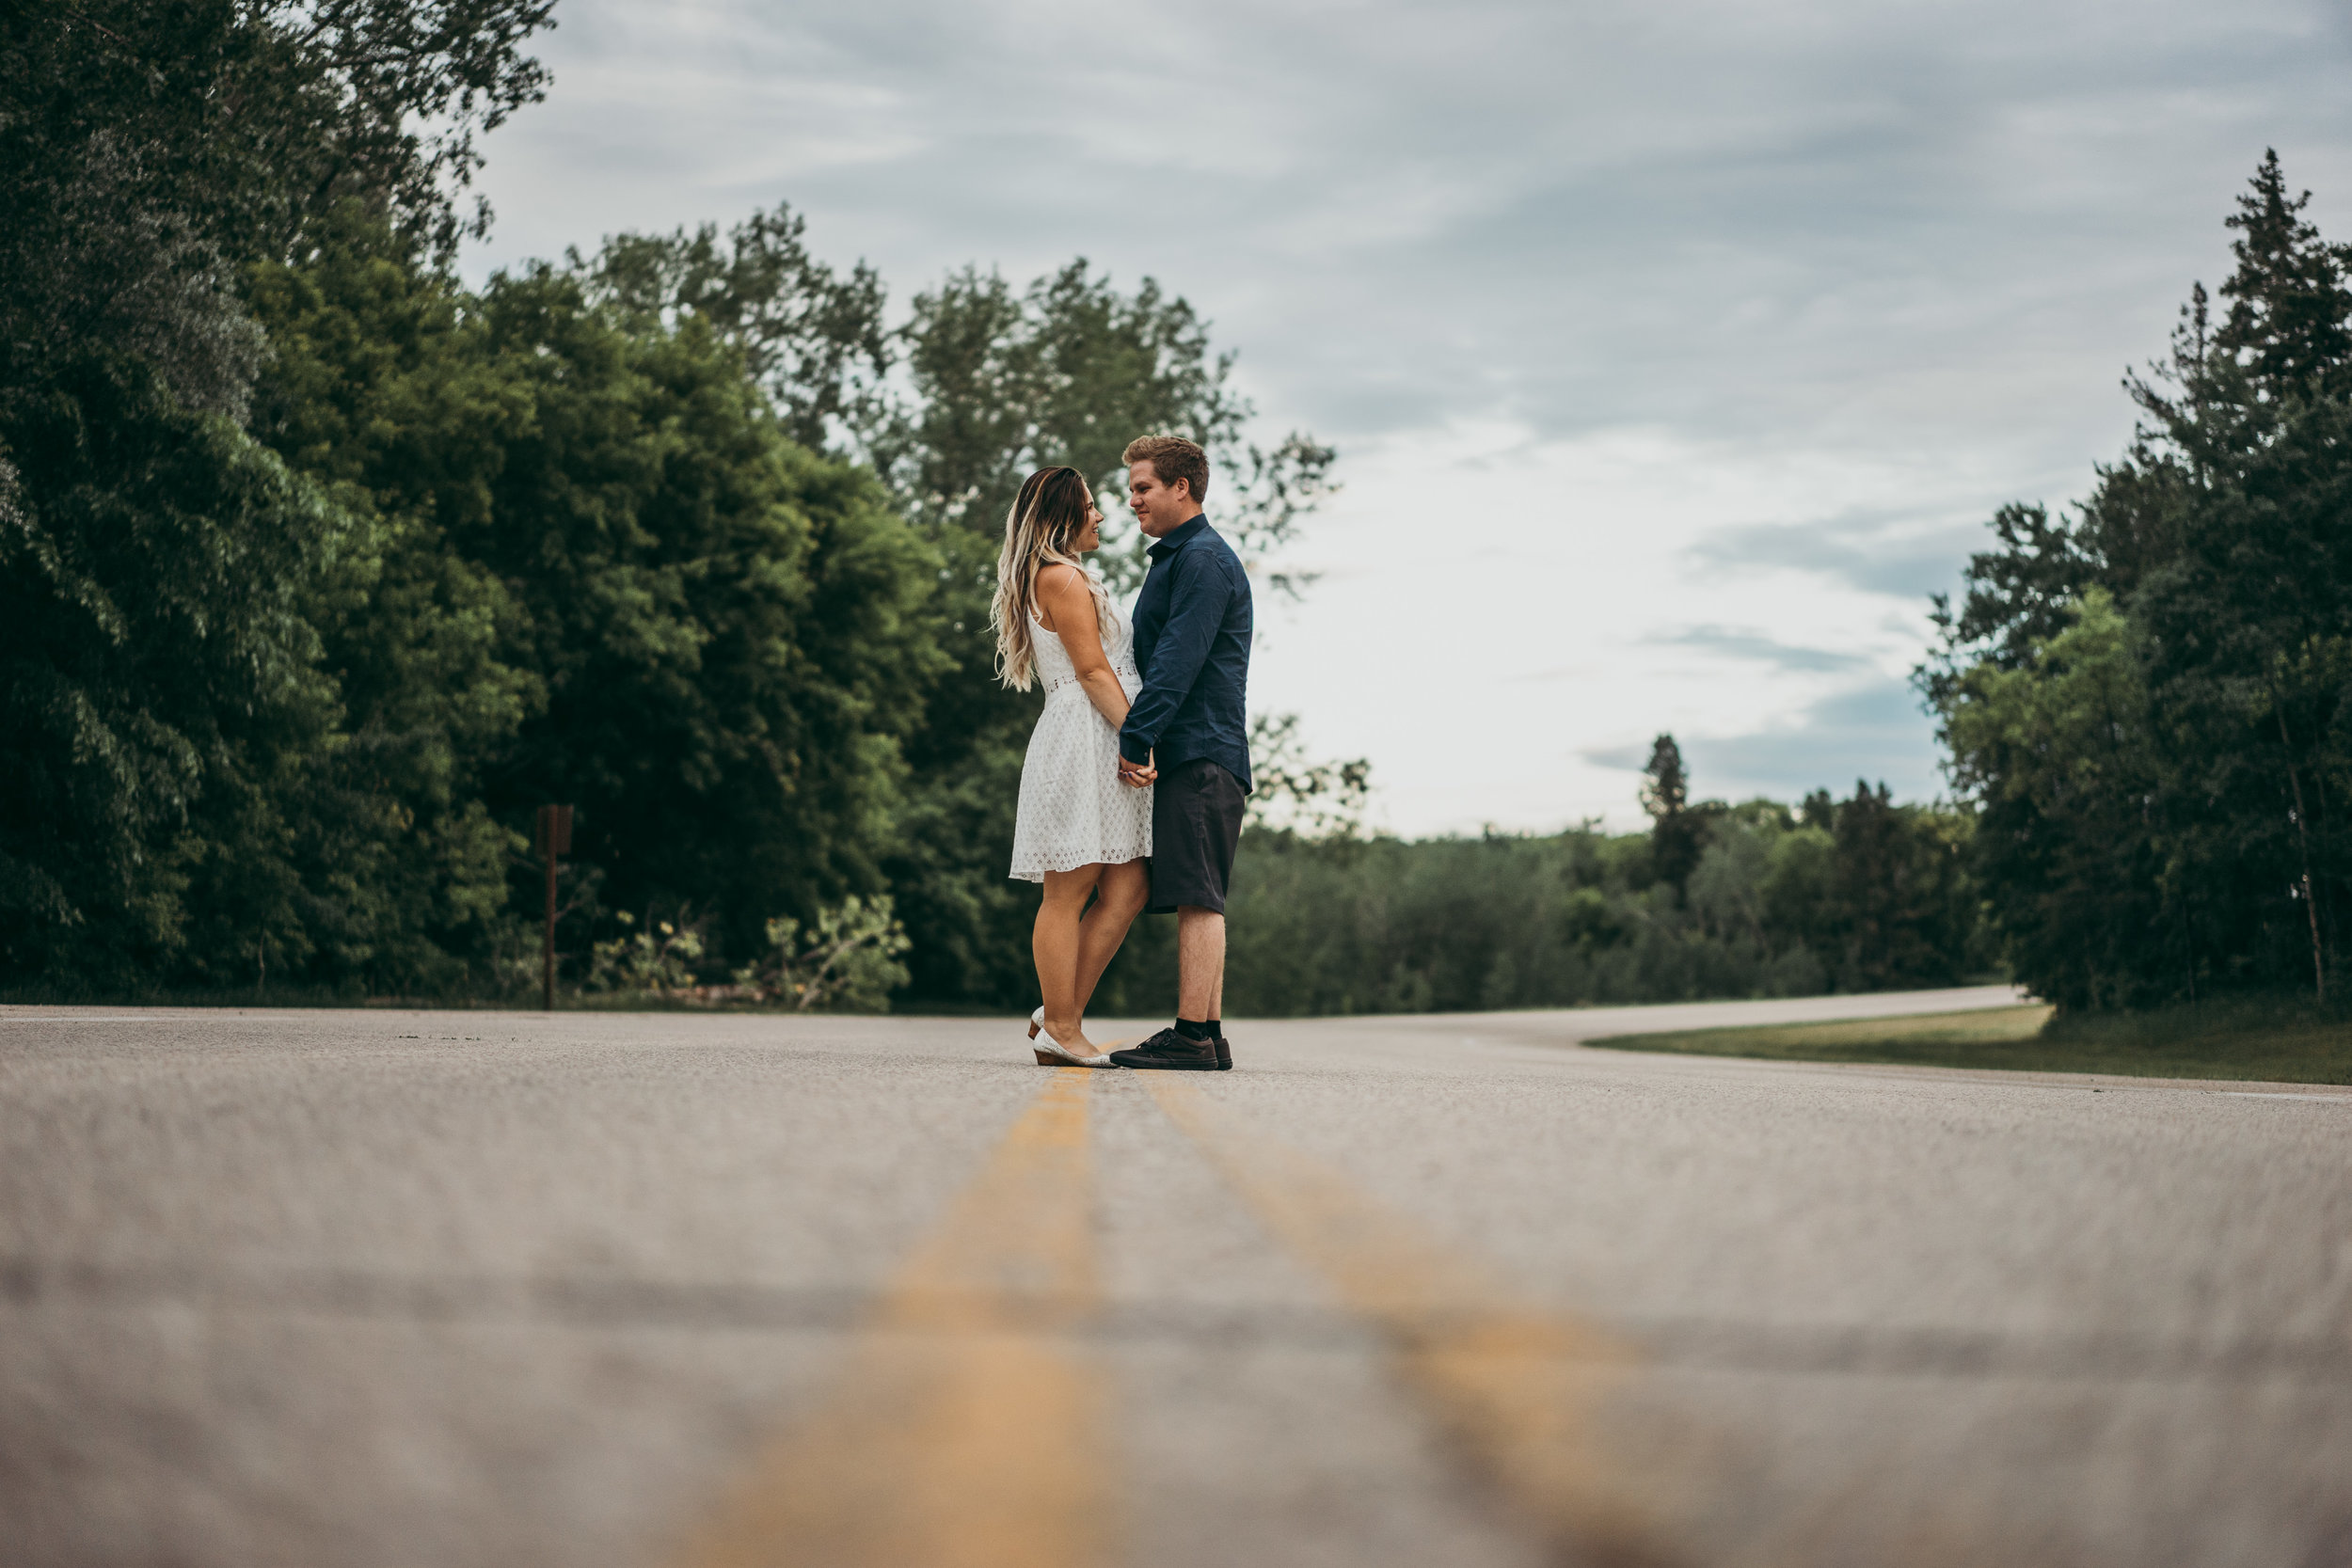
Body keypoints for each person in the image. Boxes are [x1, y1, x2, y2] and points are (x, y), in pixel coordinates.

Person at [993, 466, 1153, 1067]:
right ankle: (1062, 1025)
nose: (1101, 514)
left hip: (1098, 733)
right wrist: (1136, 740)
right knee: (1069, 889)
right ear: (1063, 515)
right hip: (1087, 734)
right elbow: (1091, 671)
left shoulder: (1062, 575)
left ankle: (1056, 1012)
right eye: (1089, 505)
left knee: (1129, 884)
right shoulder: (1060, 578)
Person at [1107, 435, 1251, 1072]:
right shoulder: (1180, 557)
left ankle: (1192, 1033)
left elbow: (1176, 662)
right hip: (1199, 750)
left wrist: (1135, 736)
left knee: (1198, 895)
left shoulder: (1202, 559)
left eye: (1142, 487)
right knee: (1202, 892)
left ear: (1180, 488)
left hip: (1199, 750)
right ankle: (1209, 1034)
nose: (1131, 498)